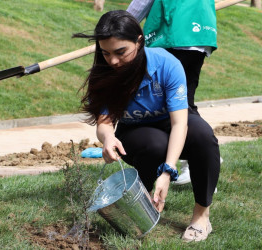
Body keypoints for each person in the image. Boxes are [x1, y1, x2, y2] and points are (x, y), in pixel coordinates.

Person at [73, 10, 220, 242]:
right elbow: (104, 123)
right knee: (154, 144)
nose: (112, 61)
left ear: (139, 42)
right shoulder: (104, 73)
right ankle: (142, 200)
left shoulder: (166, 64)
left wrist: (168, 171)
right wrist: (108, 138)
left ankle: (201, 216)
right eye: (106, 53)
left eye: (121, 52)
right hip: (135, 133)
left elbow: (180, 123)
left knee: (202, 135)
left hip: (171, 122)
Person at [126, 0, 219, 185]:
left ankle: (199, 161)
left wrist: (120, 26)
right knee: (185, 103)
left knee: (175, 106)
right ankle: (201, 161)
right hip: (200, 34)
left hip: (174, 34)